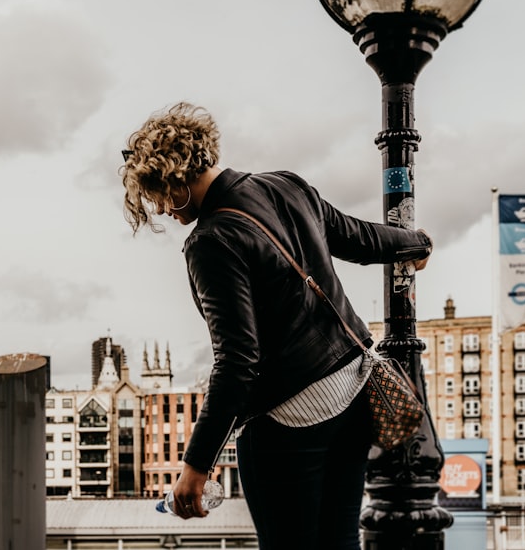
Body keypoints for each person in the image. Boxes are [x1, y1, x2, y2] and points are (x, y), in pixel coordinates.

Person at [120, 102, 432, 550]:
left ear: (174, 178)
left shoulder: (209, 241)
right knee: (340, 541)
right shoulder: (287, 185)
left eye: (158, 193)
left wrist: (196, 465)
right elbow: (357, 238)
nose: (161, 207)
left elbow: (238, 360)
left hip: (292, 422)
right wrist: (415, 243)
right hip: (355, 395)